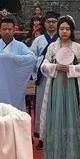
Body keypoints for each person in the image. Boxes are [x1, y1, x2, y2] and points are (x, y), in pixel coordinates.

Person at [38, 15, 80, 159]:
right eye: (62, 29)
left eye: (67, 29)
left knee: (71, 115)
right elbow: (44, 65)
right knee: (55, 115)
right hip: (56, 86)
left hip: (71, 86)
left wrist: (71, 68)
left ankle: (72, 155)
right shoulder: (53, 47)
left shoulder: (77, 47)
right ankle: (56, 154)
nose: (64, 31)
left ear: (71, 30)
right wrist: (55, 67)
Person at [29, 11, 59, 146]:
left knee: (58, 106)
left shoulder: (62, 39)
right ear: (44, 24)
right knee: (42, 106)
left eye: (54, 21)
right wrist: (39, 66)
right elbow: (31, 57)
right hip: (43, 77)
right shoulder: (38, 40)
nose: (51, 24)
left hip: (59, 76)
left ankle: (57, 136)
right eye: (48, 22)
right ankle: (41, 136)